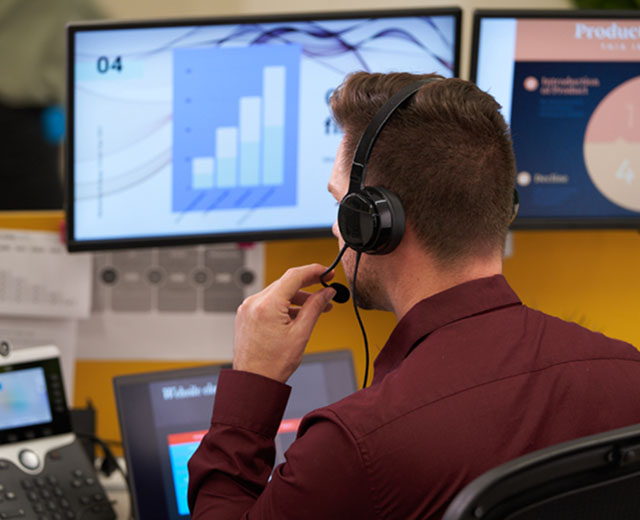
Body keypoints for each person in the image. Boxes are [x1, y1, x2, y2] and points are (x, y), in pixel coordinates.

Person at [187, 72, 640, 519]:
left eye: (341, 205)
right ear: (503, 205)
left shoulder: (355, 446)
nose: (334, 227)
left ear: (374, 224)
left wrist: (253, 383)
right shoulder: (628, 375)